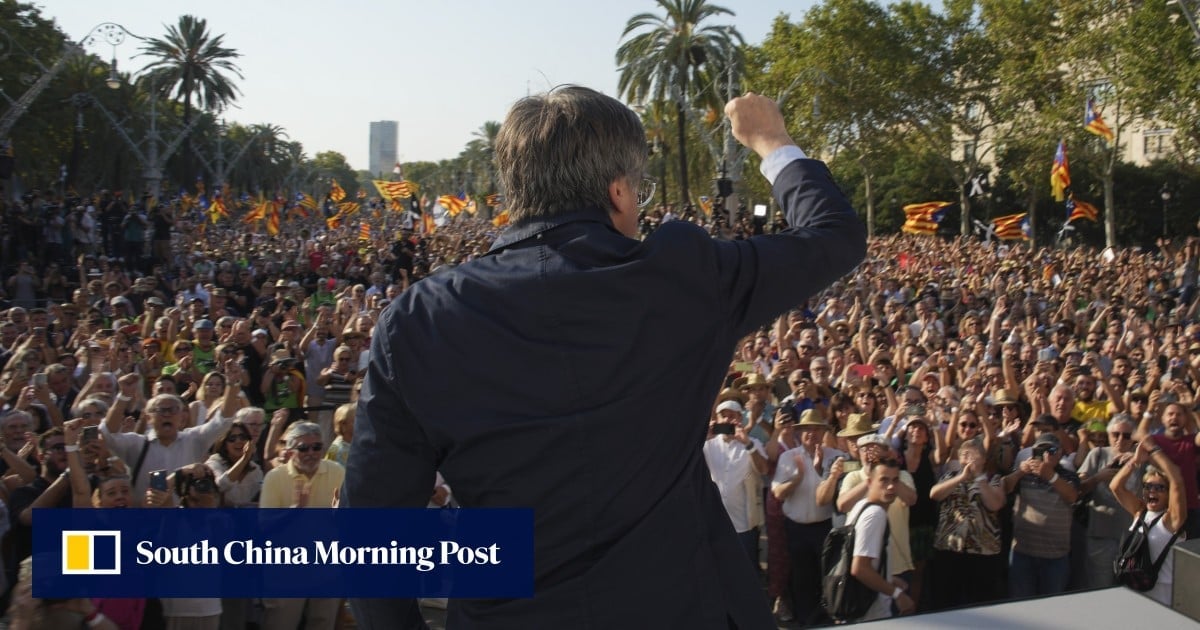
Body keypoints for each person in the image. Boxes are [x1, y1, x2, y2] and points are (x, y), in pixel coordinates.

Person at [344, 87, 866, 628]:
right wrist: (770, 140)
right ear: (618, 191)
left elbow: (371, 536)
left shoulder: (418, 320)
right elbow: (834, 235)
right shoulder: (683, 277)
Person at [1109, 438, 1188, 606]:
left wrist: (1153, 450)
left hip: (1162, 591)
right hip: (1133, 584)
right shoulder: (1140, 511)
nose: (1152, 491)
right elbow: (1115, 487)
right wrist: (1135, 461)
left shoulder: (1172, 519)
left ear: (1168, 494)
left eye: (1159, 488)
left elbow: (1177, 480)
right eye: (1148, 486)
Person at [845, 458, 916, 622]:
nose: (891, 486)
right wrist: (897, 594)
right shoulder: (875, 515)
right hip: (870, 613)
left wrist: (888, 579)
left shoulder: (861, 505)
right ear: (869, 482)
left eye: (895, 480)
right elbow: (859, 568)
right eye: (884, 480)